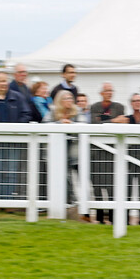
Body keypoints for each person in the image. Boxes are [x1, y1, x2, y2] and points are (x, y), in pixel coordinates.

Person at [43, 90, 92, 221]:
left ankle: (83, 210)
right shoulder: (53, 111)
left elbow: (84, 126)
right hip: (57, 154)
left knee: (81, 182)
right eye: (66, 98)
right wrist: (59, 124)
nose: (69, 100)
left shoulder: (77, 112)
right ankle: (60, 210)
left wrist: (72, 125)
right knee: (61, 181)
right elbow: (44, 125)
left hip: (75, 154)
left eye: (71, 98)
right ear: (60, 100)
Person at [0, 72, 31, 200]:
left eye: (5, 81)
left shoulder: (18, 97)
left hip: (14, 141)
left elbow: (26, 114)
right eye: (1, 81)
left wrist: (15, 129)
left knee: (11, 171)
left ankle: (8, 200)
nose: (4, 84)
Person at [108, 93, 140, 224]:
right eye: (135, 101)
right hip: (128, 158)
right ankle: (125, 220)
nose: (137, 103)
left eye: (139, 100)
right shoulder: (127, 118)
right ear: (131, 103)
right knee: (127, 189)